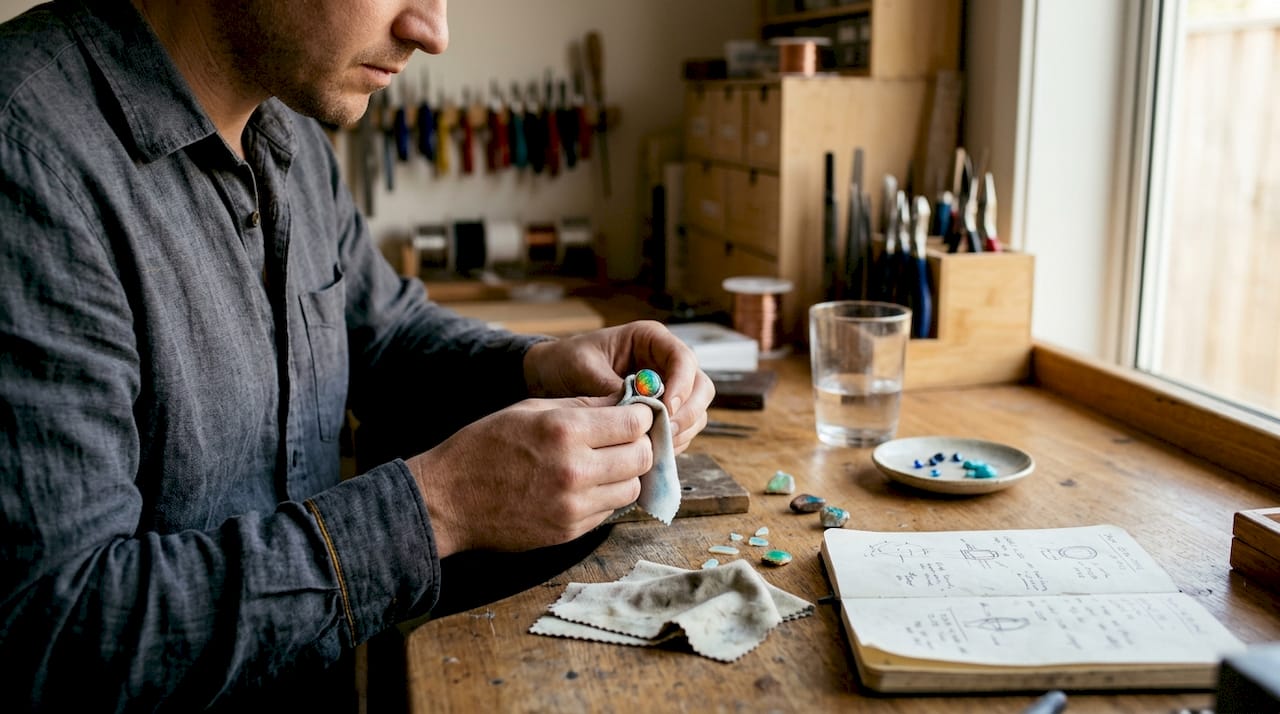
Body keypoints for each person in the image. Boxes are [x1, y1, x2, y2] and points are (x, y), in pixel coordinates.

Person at [0, 0, 714, 710]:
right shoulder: (26, 156)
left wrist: (538, 366)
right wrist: (440, 510)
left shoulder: (285, 128)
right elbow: (57, 634)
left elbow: (386, 335)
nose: (432, 32)